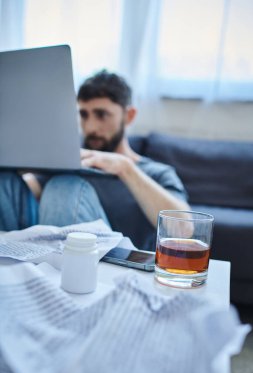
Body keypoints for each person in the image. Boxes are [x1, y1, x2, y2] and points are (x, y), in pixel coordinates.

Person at [0, 70, 189, 250]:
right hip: (47, 251)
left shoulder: (155, 172)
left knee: (63, 186)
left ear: (129, 116)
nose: (90, 127)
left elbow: (185, 231)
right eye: (83, 115)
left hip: (115, 264)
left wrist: (125, 168)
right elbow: (22, 190)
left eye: (102, 115)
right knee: (5, 180)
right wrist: (21, 162)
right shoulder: (73, 163)